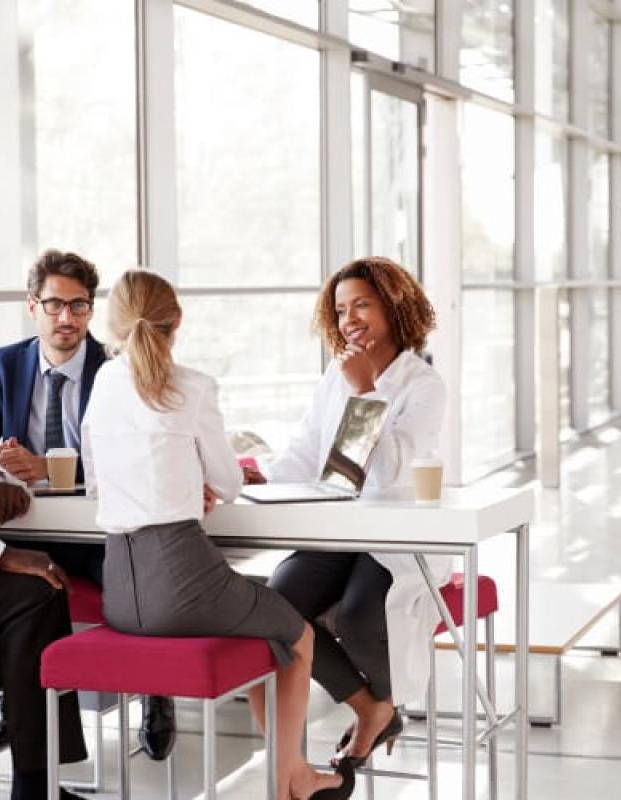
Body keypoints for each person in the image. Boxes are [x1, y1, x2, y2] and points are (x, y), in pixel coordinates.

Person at [81, 268, 354, 800]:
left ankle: (289, 771)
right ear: (176, 320)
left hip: (122, 591)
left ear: (111, 326)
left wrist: (180, 483)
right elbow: (229, 485)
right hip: (182, 582)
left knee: (260, 626)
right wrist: (197, 483)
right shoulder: (194, 386)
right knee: (296, 633)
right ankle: (291, 778)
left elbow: (98, 479)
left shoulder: (102, 383)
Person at [0, 249, 174, 760]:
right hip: (30, 530)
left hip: (100, 532)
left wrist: (58, 466)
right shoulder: (6, 363)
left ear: (92, 311)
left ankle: (156, 690)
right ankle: (17, 699)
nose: (67, 318)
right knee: (4, 587)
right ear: (32, 306)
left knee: (134, 585)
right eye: (55, 305)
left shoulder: (118, 368)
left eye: (79, 306)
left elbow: (138, 454)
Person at [248, 256, 452, 767]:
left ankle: (384, 704)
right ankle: (372, 709)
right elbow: (306, 451)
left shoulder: (423, 385)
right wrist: (262, 476)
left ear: (393, 306)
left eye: (362, 304)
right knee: (280, 610)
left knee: (362, 615)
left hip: (393, 536)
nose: (349, 320)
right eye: (341, 310)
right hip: (337, 524)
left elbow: (387, 473)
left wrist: (366, 391)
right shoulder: (336, 376)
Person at [0, 256, 88, 800]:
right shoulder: (6, 365)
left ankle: (36, 784)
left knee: (33, 594)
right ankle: (37, 785)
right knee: (33, 594)